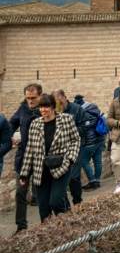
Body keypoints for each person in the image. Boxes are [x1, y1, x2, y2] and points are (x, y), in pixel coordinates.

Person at [19, 93, 80, 222]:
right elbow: (30, 149)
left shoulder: (66, 119)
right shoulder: (35, 124)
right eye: (41, 107)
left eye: (46, 106)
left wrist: (70, 159)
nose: (43, 110)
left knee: (56, 202)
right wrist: (24, 174)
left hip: (61, 167)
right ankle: (50, 236)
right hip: (40, 171)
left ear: (53, 106)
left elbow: (76, 140)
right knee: (44, 210)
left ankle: (67, 227)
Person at [9, 83, 41, 231]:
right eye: (28, 98)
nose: (30, 101)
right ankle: (21, 227)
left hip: (42, 158)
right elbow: (11, 125)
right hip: (24, 158)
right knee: (20, 193)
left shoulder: (47, 109)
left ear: (40, 96)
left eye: (33, 98)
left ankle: (46, 225)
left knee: (42, 193)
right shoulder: (22, 109)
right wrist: (7, 138)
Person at [52, 89, 88, 205]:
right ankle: (66, 206)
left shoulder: (77, 109)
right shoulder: (54, 112)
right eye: (55, 102)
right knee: (61, 177)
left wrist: (69, 130)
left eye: (59, 101)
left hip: (76, 146)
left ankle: (78, 202)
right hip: (60, 148)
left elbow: (84, 128)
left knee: (74, 176)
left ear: (64, 97)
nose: (58, 104)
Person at [76, 94, 106, 190]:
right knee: (97, 161)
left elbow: (83, 127)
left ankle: (92, 181)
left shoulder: (80, 111)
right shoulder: (94, 107)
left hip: (89, 141)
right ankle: (97, 180)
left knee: (84, 162)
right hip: (100, 138)